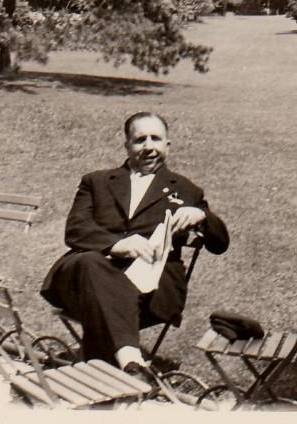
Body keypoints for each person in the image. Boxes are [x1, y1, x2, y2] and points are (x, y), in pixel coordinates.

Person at [41, 111, 229, 376]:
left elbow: (220, 244)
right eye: (140, 140)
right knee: (90, 261)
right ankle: (131, 360)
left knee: (98, 287)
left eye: (156, 139)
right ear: (127, 145)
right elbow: (76, 230)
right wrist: (117, 245)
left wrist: (202, 216)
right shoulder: (96, 182)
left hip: (149, 288)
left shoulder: (186, 190)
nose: (149, 147)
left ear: (167, 144)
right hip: (83, 279)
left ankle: (108, 374)